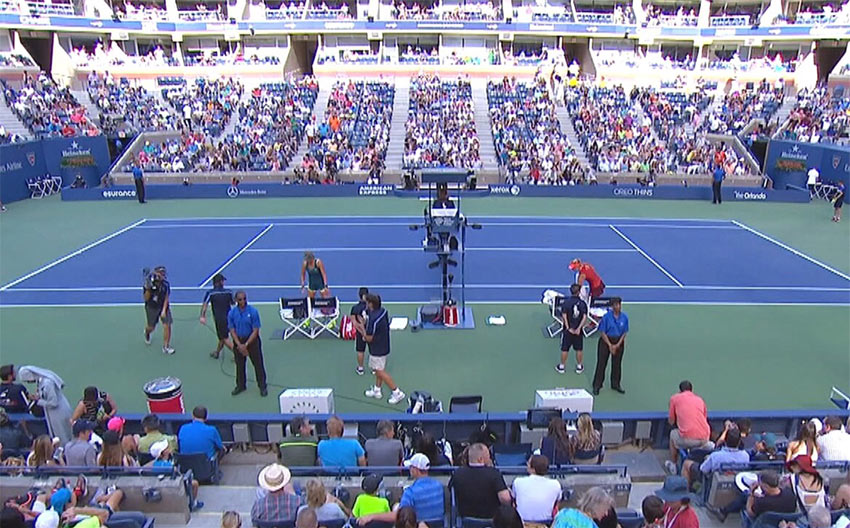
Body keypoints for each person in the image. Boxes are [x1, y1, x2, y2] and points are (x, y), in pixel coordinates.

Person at [357, 453, 445, 526]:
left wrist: (371, 516)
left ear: (415, 470)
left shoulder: (410, 492)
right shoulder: (439, 486)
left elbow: (398, 516)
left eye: (411, 467)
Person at [355, 294, 405, 405]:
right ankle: (377, 390)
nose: (366, 305)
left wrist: (361, 327)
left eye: (367, 303)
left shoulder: (373, 319)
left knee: (379, 371)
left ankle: (397, 392)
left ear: (371, 304)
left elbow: (368, 338)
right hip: (384, 345)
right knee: (379, 369)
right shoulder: (383, 311)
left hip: (377, 349)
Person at [449, 443, 511, 519]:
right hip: (491, 521)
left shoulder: (457, 474)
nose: (490, 459)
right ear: (480, 459)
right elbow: (505, 498)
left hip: (466, 521)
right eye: (488, 456)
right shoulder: (494, 474)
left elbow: (451, 490)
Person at [227, 290, 268, 397]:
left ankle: (262, 386)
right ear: (236, 300)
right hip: (239, 341)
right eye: (240, 299)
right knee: (240, 366)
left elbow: (255, 330)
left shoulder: (253, 312)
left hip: (252, 341)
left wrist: (246, 345)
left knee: (258, 364)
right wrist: (239, 344)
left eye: (245, 299)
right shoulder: (232, 313)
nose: (243, 301)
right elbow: (232, 330)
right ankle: (241, 386)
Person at [17, 367, 73, 444]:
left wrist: (38, 401)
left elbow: (53, 402)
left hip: (58, 413)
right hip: (53, 413)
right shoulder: (41, 382)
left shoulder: (47, 383)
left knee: (62, 436)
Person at [682, 427, 749, 490]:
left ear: (725, 441)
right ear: (739, 442)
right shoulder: (745, 456)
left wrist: (706, 460)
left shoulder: (715, 456)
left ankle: (685, 496)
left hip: (713, 483)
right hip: (735, 484)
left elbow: (703, 470)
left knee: (686, 463)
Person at [666, 380, 712, 471]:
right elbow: (704, 418)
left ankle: (673, 465)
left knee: (672, 434)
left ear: (680, 391)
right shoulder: (700, 400)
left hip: (689, 440)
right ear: (691, 390)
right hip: (705, 438)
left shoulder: (674, 398)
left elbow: (671, 421)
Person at [147, 439, 203, 508]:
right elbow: (179, 475)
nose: (169, 448)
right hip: (175, 485)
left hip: (163, 485)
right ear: (163, 453)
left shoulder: (153, 464)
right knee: (195, 483)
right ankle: (193, 503)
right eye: (166, 448)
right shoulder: (170, 467)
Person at [591, 297, 628, 396]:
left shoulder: (624, 317)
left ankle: (615, 384)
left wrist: (617, 345)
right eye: (616, 305)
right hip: (605, 341)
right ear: (612, 306)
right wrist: (610, 345)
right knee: (601, 364)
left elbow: (624, 332)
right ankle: (597, 385)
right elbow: (602, 332)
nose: (618, 307)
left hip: (618, 342)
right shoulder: (606, 317)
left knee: (617, 364)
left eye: (619, 304)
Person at [511, 454, 562, 522]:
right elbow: (556, 504)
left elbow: (513, 501)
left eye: (528, 463)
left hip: (523, 524)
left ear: (533, 469)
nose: (526, 464)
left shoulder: (518, 482)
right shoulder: (556, 484)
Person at [200, 273, 235, 359]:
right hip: (230, 318)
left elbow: (205, 305)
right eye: (223, 281)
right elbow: (233, 302)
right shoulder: (229, 292)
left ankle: (238, 353)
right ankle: (217, 352)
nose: (224, 282)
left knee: (224, 338)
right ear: (220, 282)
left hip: (219, 320)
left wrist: (202, 316)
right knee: (222, 337)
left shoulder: (211, 293)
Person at [556, 284, 588, 374]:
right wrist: (578, 328)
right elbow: (584, 317)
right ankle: (579, 366)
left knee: (565, 348)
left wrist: (568, 327)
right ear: (578, 292)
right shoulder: (582, 304)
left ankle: (562, 366)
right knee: (579, 349)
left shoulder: (566, 303)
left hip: (567, 331)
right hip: (578, 331)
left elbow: (564, 316)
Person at [143, 266, 174, 355]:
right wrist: (149, 288)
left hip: (162, 306)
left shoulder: (166, 285)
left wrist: (164, 310)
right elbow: (146, 298)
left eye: (164, 274)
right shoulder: (149, 284)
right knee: (151, 327)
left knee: (167, 325)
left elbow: (166, 298)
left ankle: (166, 347)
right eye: (161, 274)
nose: (163, 276)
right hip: (152, 308)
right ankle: (147, 333)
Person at [351, 287, 369, 375]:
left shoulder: (355, 308)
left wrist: (362, 333)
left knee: (360, 350)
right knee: (373, 350)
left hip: (360, 333)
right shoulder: (372, 307)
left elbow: (354, 323)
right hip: (371, 331)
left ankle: (360, 368)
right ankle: (375, 368)